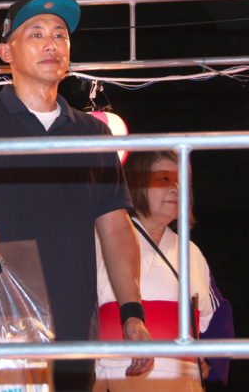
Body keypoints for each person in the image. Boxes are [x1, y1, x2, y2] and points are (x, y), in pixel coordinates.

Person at [0, 0, 153, 392]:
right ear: (6, 52)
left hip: (73, 328)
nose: (51, 44)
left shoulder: (92, 133)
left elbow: (115, 227)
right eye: (36, 34)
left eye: (60, 35)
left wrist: (132, 312)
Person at [94, 151, 232, 391]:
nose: (175, 189)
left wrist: (209, 359)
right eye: (164, 179)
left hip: (183, 380)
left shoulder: (191, 252)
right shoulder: (101, 241)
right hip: (115, 374)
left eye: (182, 182)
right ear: (135, 184)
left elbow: (216, 317)